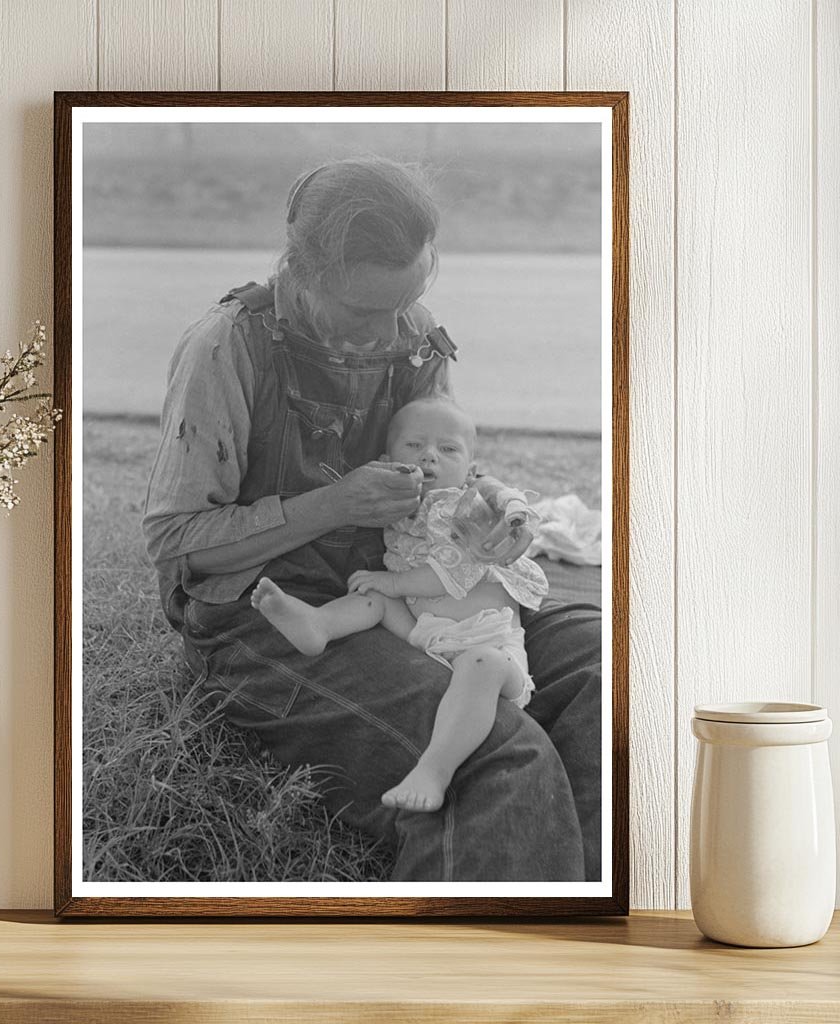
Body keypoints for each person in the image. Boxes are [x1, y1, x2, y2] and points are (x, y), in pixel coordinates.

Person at [142, 156, 602, 882]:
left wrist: (483, 521)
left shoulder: (412, 333)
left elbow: (450, 468)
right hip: (270, 609)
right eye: (366, 313)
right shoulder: (225, 348)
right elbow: (176, 546)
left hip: (420, 586)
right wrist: (334, 505)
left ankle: (593, 943)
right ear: (304, 271)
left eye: (411, 297)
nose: (396, 331)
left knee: (603, 677)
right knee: (496, 756)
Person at [251, 395, 548, 814]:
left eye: (448, 449)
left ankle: (434, 769)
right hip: (421, 633)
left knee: (479, 664)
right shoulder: (398, 509)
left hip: (490, 647)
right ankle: (318, 624)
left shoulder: (472, 503)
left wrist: (513, 507)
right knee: (370, 599)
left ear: (470, 468)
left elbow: (451, 569)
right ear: (387, 459)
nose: (430, 456)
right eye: (414, 446)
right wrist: (384, 586)